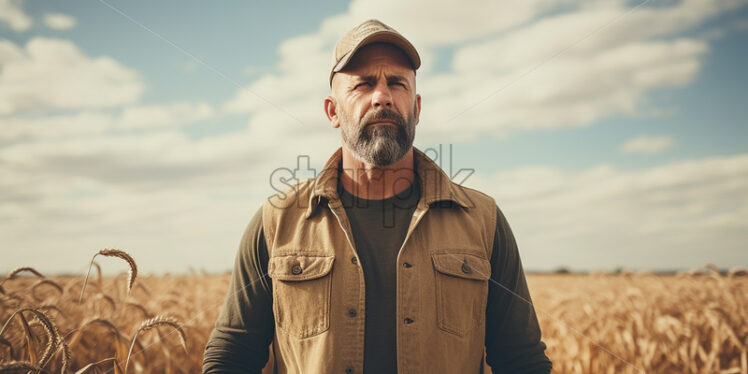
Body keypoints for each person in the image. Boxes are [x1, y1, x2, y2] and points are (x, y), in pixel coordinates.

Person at [202, 19, 551, 374]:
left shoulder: (483, 220)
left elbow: (522, 360)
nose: (382, 96)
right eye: (364, 84)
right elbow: (231, 356)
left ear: (416, 107)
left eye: (397, 83)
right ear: (332, 112)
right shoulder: (276, 221)